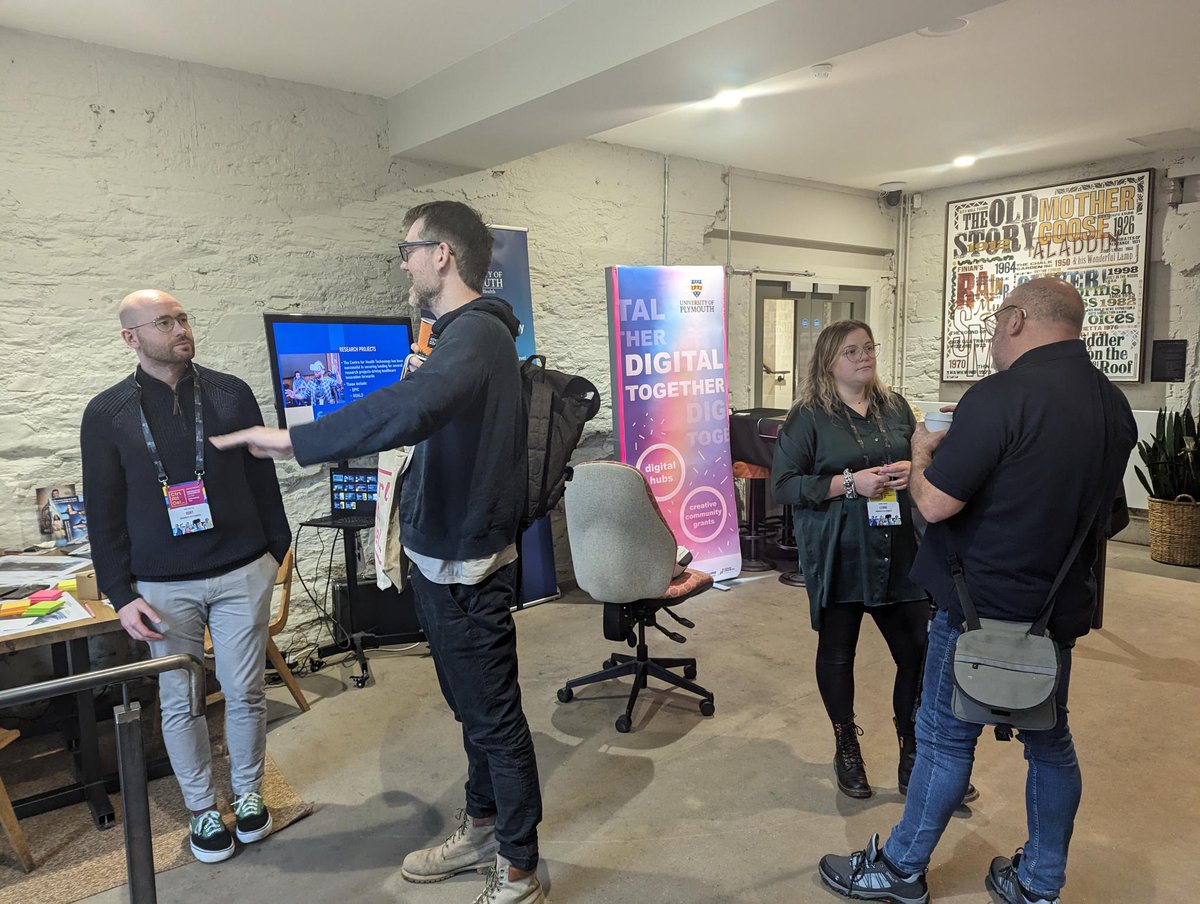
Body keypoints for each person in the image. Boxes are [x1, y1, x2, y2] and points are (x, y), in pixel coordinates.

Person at [212, 200, 544, 904]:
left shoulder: (477, 337)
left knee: (493, 716)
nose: (403, 262)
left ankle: (518, 866)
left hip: (465, 563)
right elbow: (418, 413)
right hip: (436, 554)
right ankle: (483, 826)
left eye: (407, 249)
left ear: (441, 255)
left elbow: (410, 408)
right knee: (469, 709)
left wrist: (293, 439)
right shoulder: (452, 334)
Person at [818, 278, 1136, 904]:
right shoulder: (1111, 403)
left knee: (941, 738)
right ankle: (1040, 882)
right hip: (1054, 612)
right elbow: (1113, 516)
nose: (994, 335)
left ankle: (899, 869)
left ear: (1017, 319)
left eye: (997, 321)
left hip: (976, 609)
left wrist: (922, 452)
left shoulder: (998, 397)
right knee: (1050, 745)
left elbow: (934, 503)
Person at [80, 290, 291, 864]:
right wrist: (121, 594)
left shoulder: (231, 393)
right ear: (131, 337)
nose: (180, 329)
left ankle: (247, 796)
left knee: (245, 692)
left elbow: (263, 481)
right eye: (164, 322)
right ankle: (201, 809)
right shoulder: (107, 413)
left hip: (241, 571)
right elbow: (103, 511)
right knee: (179, 701)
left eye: (183, 318)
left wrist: (276, 550)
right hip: (162, 585)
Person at [772, 320, 976, 804]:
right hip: (840, 549)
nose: (864, 357)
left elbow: (918, 456)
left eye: (868, 347)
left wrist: (915, 463)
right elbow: (785, 485)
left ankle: (913, 753)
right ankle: (846, 745)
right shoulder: (808, 417)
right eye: (850, 351)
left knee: (916, 655)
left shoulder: (894, 406)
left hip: (897, 549)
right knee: (839, 652)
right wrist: (848, 483)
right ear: (828, 362)